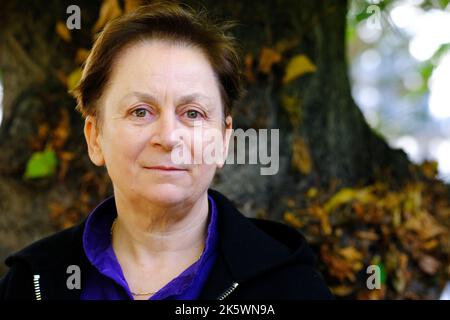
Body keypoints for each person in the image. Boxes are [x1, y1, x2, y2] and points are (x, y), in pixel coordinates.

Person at [0, 2, 332, 300]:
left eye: (193, 114)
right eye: (140, 111)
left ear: (223, 141)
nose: (169, 137)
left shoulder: (290, 287)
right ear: (94, 137)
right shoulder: (30, 283)